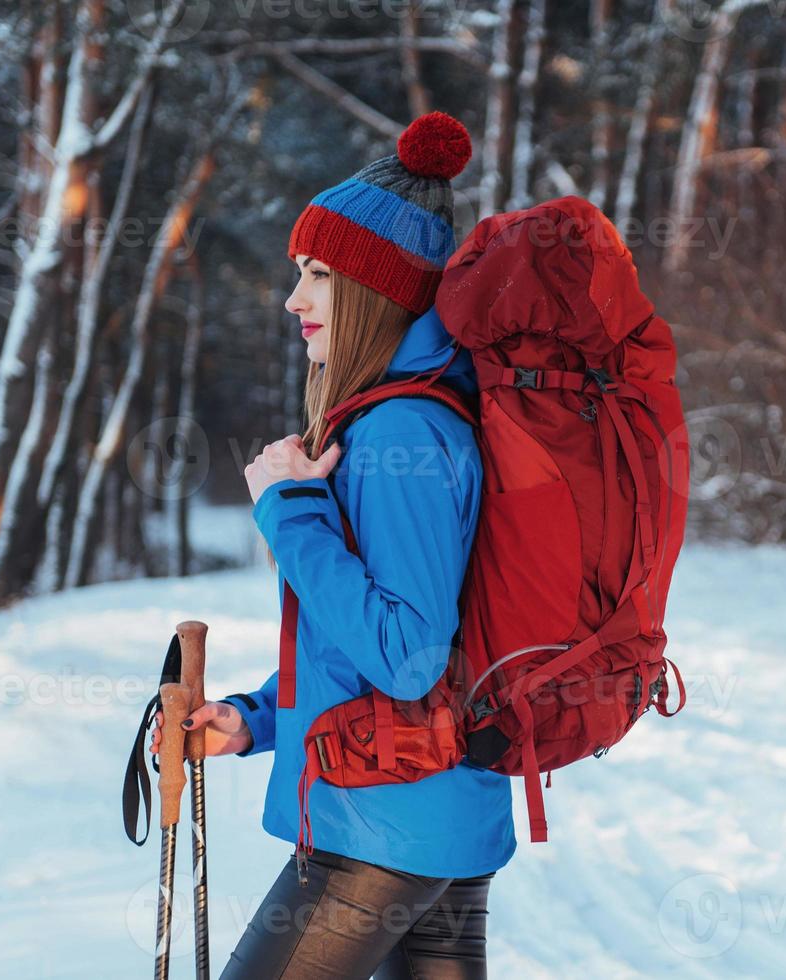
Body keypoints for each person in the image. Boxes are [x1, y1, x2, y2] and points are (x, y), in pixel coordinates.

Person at [149, 111, 514, 979]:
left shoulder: (405, 433)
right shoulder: (410, 414)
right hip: (430, 807)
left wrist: (288, 509)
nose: (294, 298)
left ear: (376, 291)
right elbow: (386, 637)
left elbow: (407, 653)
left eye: (318, 274)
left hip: (383, 822)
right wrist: (257, 717)